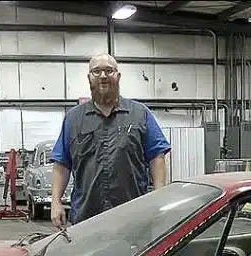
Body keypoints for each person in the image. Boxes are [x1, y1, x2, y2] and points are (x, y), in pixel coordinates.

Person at [49, 54, 172, 228]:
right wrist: (55, 202)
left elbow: (156, 156)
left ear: (118, 76)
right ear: (89, 77)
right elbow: (61, 164)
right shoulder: (73, 118)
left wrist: (159, 196)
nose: (103, 76)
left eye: (109, 70)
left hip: (134, 215)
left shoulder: (139, 113)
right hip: (86, 217)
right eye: (96, 71)